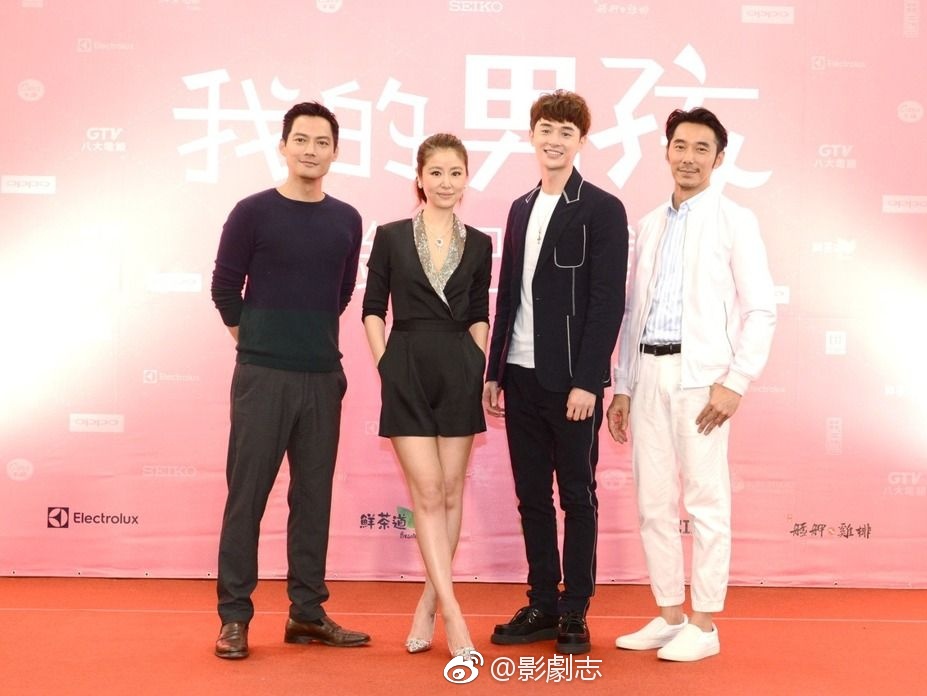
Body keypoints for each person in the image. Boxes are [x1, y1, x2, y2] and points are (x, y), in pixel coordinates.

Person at [607, 107, 776, 662]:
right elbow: (633, 311)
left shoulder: (735, 221)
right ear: (666, 152)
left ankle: (704, 624)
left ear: (719, 159)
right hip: (647, 375)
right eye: (680, 146)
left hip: (703, 381)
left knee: (705, 501)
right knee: (652, 501)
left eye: (702, 148)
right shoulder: (650, 224)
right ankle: (669, 615)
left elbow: (760, 308)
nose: (688, 157)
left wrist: (737, 381)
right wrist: (623, 385)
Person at [210, 101, 368, 660]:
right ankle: (234, 617)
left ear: (335, 152)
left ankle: (307, 613)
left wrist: (306, 342)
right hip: (263, 377)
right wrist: (259, 342)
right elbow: (225, 290)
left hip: (323, 377)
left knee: (313, 499)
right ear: (283, 146)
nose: (310, 150)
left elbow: (342, 293)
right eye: (300, 139)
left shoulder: (347, 219)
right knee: (246, 498)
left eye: (321, 142)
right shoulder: (251, 212)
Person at [484, 90, 629, 655]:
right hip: (519, 376)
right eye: (546, 128)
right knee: (531, 497)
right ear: (532, 135)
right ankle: (543, 601)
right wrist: (495, 369)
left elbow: (607, 302)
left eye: (566, 132)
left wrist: (589, 381)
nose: (554, 140)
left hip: (571, 383)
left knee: (577, 496)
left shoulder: (601, 208)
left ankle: (575, 610)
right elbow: (508, 295)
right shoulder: (520, 207)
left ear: (581, 141)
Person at [362, 133, 492, 658]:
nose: (445, 182)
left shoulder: (479, 243)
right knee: (429, 491)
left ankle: (428, 603)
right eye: (435, 172)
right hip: (407, 367)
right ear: (419, 178)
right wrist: (386, 365)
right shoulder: (390, 236)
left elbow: (480, 311)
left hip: (459, 368)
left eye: (455, 173)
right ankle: (455, 614)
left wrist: (476, 360)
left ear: (466, 179)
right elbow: (373, 308)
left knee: (452, 491)